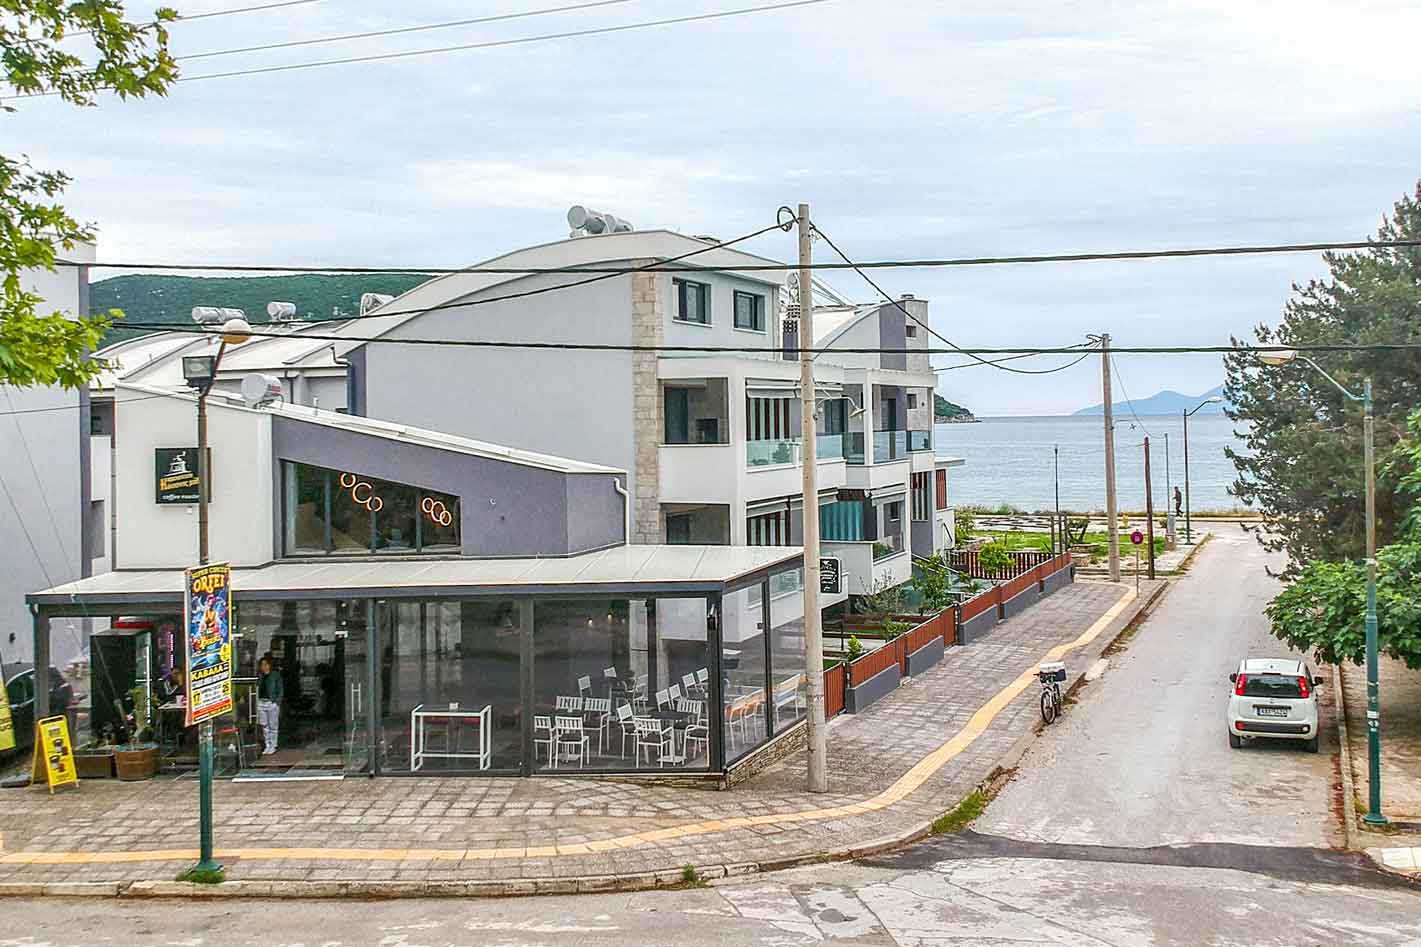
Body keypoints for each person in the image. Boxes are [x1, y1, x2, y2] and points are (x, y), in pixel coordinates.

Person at [256, 656, 283, 756]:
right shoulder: (259, 675)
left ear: (270, 665)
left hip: (271, 702)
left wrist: (277, 702)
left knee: (273, 725)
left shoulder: (275, 675)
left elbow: (280, 689)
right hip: (261, 702)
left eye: (266, 664)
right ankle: (267, 744)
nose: (264, 667)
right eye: (262, 665)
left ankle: (273, 745)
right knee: (264, 725)